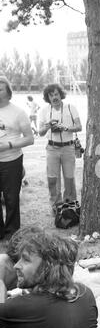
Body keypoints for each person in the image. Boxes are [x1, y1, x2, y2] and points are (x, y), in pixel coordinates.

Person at [0, 229, 98, 328]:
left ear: (48, 267)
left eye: (25, 260)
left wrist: (0, 281)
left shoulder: (24, 308)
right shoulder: (85, 293)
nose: (17, 265)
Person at [0, 76, 34, 240]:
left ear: (8, 92)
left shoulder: (18, 112)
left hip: (12, 161)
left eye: (0, 89)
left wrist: (9, 145)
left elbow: (29, 138)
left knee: (11, 198)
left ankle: (11, 232)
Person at [38, 83, 82, 210]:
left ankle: (70, 205)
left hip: (68, 147)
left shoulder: (70, 107)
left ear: (61, 94)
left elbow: (79, 127)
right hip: (52, 148)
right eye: (51, 95)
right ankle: (56, 206)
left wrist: (65, 128)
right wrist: (48, 125)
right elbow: (40, 133)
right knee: (53, 179)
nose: (54, 97)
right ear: (47, 97)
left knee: (69, 178)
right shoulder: (43, 110)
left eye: (56, 94)